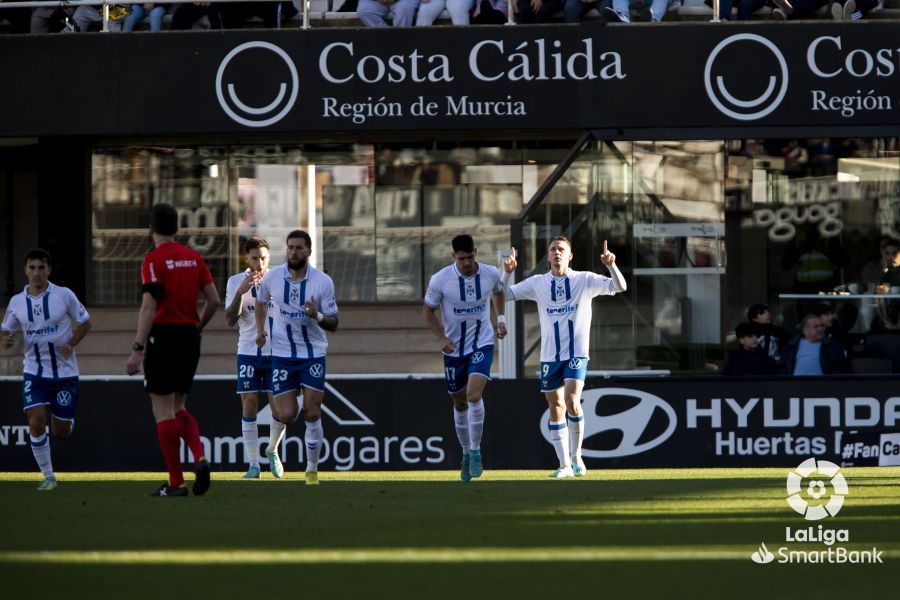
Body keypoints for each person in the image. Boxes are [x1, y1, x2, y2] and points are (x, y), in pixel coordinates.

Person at [501, 237, 626, 478]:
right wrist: (507, 272)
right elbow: (504, 294)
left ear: (570, 256)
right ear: (547, 257)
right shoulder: (538, 283)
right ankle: (564, 465)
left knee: (571, 400)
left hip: (577, 353)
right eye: (552, 250)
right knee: (555, 406)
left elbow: (620, 286)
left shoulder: (585, 279)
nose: (556, 253)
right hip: (550, 356)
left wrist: (611, 265)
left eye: (561, 249)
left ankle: (577, 454)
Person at [126, 203, 220, 497]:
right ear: (178, 229)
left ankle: (176, 482)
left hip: (163, 337)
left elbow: (149, 306)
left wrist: (138, 347)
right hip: (189, 336)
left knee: (162, 411)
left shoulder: (153, 260)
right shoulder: (194, 258)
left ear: (150, 229)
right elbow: (214, 300)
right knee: (180, 406)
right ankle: (200, 457)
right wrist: (197, 327)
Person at [1, 249, 92, 491]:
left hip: (65, 375)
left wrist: (71, 343)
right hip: (34, 373)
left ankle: (66, 422)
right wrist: (6, 339)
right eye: (32, 268)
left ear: (49, 270)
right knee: (36, 421)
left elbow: (85, 322)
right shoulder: (17, 302)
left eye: (41, 268)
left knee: (61, 432)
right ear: (25, 270)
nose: (36, 273)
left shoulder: (64, 295)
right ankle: (49, 477)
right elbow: (6, 330)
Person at [254, 230, 339, 486]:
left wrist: (318, 316)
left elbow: (334, 323)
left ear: (309, 251)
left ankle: (311, 470)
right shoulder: (273, 278)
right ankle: (272, 449)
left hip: (312, 354)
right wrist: (260, 329)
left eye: (299, 248)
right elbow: (260, 302)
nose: (293, 252)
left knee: (312, 413)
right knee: (288, 414)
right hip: (281, 354)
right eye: (290, 247)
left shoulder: (322, 282)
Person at [423, 234, 506, 483]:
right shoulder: (440, 280)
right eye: (462, 259)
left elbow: (499, 292)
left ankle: (477, 450)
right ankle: (465, 453)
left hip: (482, 343)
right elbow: (427, 310)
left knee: (473, 396)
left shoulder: (490, 274)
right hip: (453, 350)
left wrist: (500, 319)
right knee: (459, 403)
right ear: (453, 257)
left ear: (475, 252)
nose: (467, 263)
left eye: (470, 257)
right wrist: (440, 337)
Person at [225, 237, 281, 479]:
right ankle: (253, 465)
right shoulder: (235, 281)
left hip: (279, 352)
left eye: (264, 258)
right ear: (246, 258)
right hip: (248, 351)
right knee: (249, 403)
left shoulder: (280, 280)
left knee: (280, 408)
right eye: (255, 258)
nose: (260, 262)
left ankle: (273, 450)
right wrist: (241, 292)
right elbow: (229, 319)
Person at [779, 314, 850, 376]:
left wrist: (829, 382)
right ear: (805, 330)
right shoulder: (791, 346)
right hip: (795, 387)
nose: (820, 329)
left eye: (821, 326)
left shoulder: (833, 346)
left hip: (822, 387)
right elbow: (782, 368)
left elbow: (843, 367)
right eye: (816, 326)